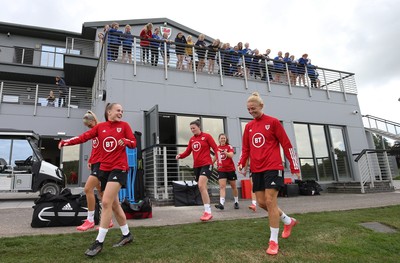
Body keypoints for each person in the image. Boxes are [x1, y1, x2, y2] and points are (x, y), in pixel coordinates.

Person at [59, 103, 136, 257]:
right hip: (104, 170)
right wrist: (66, 142)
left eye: (122, 111)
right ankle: (127, 235)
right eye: (118, 110)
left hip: (119, 168)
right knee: (114, 205)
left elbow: (134, 143)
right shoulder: (100, 128)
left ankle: (99, 242)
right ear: (109, 111)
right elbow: (83, 137)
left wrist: (126, 142)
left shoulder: (124, 126)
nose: (121, 112)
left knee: (106, 202)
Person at [238, 92, 300, 256]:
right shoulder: (249, 127)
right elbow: (246, 149)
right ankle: (288, 220)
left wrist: (294, 166)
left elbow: (287, 145)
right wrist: (242, 162)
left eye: (254, 108)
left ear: (261, 106)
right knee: (261, 203)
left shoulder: (273, 122)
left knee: (270, 200)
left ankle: (273, 241)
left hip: (273, 167)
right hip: (256, 169)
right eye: (248, 109)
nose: (251, 111)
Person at [175, 119, 221, 221]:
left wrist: (218, 161)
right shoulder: (192, 139)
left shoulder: (207, 136)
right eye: (191, 128)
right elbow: (187, 152)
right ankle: (207, 210)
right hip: (196, 166)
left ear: (199, 127)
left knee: (201, 185)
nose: (192, 130)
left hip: (206, 164)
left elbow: (216, 148)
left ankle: (207, 212)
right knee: (201, 187)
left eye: (194, 128)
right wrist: (180, 156)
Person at [76, 110, 113, 231]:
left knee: (87, 188)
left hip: (101, 164)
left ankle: (90, 220)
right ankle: (109, 220)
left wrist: (92, 113)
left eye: (90, 124)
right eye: (88, 126)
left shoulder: (99, 128)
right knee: (101, 191)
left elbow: (98, 123)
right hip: (95, 163)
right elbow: (95, 148)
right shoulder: (93, 132)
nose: (89, 127)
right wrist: (90, 160)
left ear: (92, 121)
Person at [213, 133, 240, 210]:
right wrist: (210, 164)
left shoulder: (229, 146)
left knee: (233, 186)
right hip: (221, 170)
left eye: (224, 138)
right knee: (222, 187)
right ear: (219, 139)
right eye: (221, 138)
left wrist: (226, 153)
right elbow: (215, 157)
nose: (223, 139)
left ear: (226, 139)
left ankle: (236, 201)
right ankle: (221, 203)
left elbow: (231, 155)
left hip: (230, 169)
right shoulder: (217, 148)